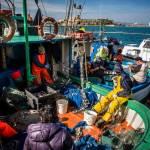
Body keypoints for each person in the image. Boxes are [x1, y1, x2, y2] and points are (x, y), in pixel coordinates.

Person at [92, 63, 133, 127]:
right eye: (115, 71)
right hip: (117, 91)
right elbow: (109, 72)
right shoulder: (117, 73)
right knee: (106, 98)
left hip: (124, 94)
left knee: (113, 104)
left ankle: (104, 120)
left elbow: (127, 91)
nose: (115, 72)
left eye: (117, 71)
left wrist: (117, 94)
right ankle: (95, 110)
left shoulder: (125, 78)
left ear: (120, 70)